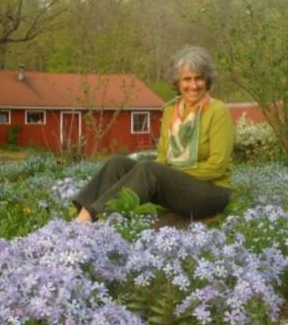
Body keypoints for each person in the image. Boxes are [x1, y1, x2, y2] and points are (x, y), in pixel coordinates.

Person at [73, 45, 234, 223]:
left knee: (149, 169)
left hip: (211, 193)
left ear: (207, 80)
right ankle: (83, 217)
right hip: (177, 186)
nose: (193, 85)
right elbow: (163, 157)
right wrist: (162, 174)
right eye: (187, 79)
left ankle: (97, 220)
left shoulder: (217, 111)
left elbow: (217, 166)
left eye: (199, 79)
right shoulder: (171, 110)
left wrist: (169, 174)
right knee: (117, 163)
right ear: (178, 83)